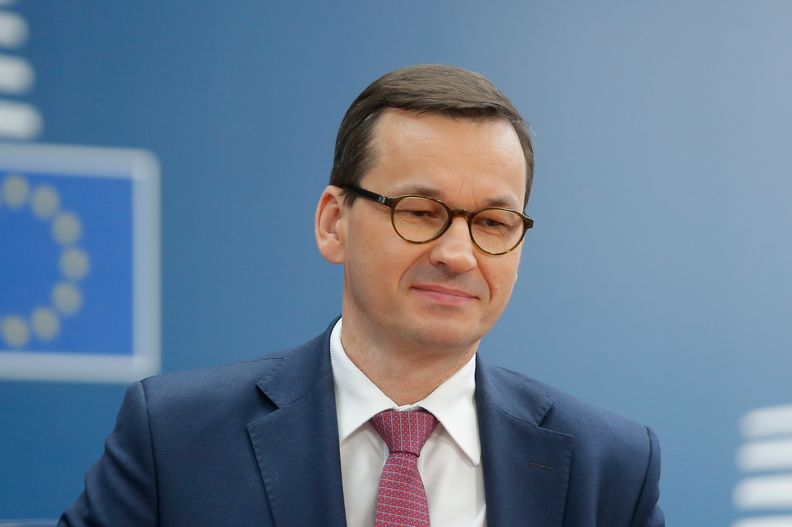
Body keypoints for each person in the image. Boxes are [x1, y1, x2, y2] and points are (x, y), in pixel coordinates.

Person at [60, 64, 664, 526]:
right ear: (334, 223)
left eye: (493, 222)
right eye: (420, 211)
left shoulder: (609, 466)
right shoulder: (176, 437)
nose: (458, 254)